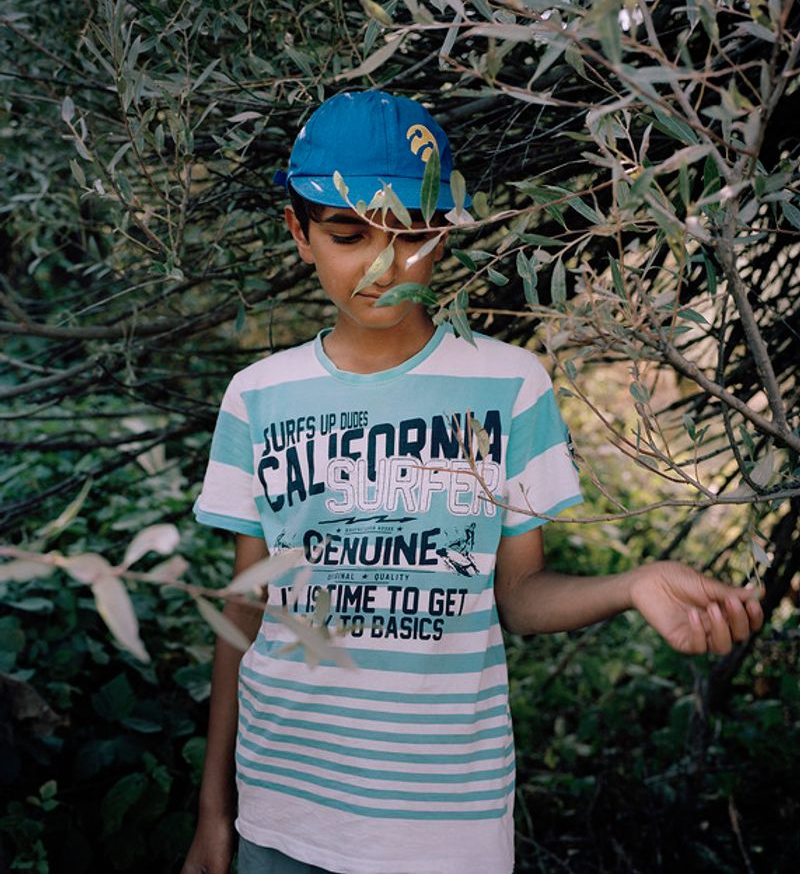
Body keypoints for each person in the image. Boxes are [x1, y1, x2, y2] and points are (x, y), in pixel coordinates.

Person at [181, 90, 763, 874]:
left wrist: (633, 584)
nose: (384, 264)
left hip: (441, 828)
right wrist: (216, 815)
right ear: (299, 232)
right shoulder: (257, 396)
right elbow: (245, 608)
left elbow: (519, 597)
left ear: (447, 232)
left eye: (413, 234)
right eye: (348, 234)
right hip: (281, 812)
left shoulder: (509, 386)